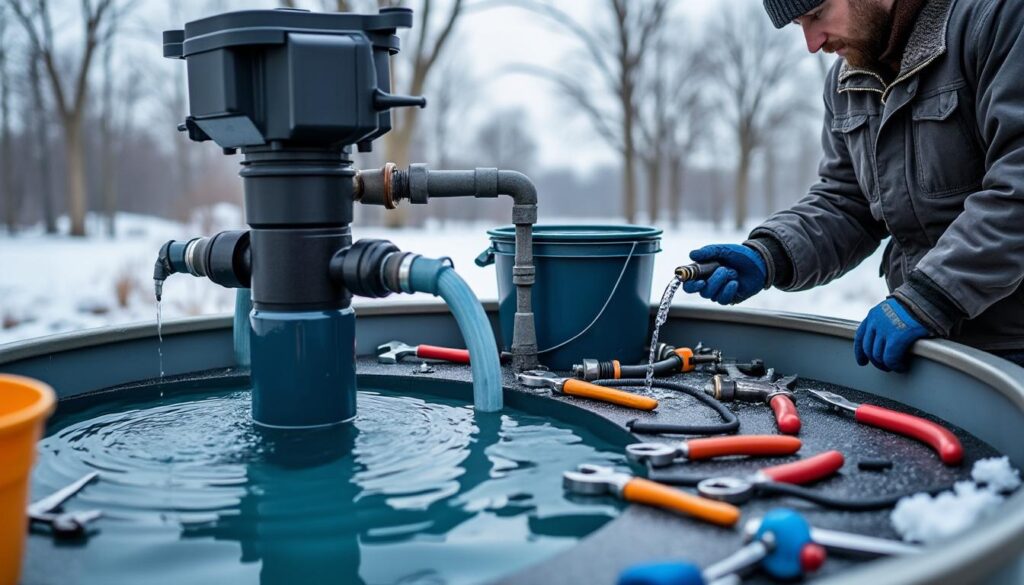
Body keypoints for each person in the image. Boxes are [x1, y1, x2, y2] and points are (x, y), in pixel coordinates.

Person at [683, 0, 1024, 370]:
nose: (812, 43)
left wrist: (931, 296)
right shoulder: (847, 80)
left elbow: (1017, 186)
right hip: (929, 344)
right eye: (799, 25)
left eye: (817, 15)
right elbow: (846, 201)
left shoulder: (998, 19)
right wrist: (770, 254)